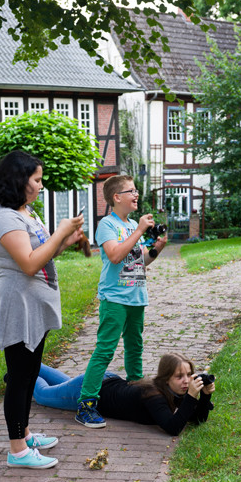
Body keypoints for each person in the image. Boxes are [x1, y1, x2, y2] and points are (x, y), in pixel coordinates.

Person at [0, 150, 84, 470]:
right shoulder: (4, 218)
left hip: (34, 306)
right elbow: (28, 263)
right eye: (37, 180)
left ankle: (25, 435)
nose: (41, 186)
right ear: (19, 180)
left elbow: (40, 252)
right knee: (18, 377)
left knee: (30, 375)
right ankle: (17, 450)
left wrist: (66, 241)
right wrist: (60, 231)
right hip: (17, 306)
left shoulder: (24, 212)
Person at [75, 174, 168, 428]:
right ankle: (86, 404)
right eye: (131, 191)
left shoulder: (131, 227)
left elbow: (140, 261)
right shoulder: (108, 224)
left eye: (136, 190)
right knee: (105, 350)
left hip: (137, 297)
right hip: (114, 298)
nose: (136, 194)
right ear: (117, 197)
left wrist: (156, 248)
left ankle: (137, 394)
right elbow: (115, 255)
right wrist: (139, 230)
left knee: (135, 348)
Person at [35, 353, 215, 436]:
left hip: (101, 381)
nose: (186, 381)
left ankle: (29, 366)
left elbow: (196, 419)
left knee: (63, 384)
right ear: (166, 378)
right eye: (179, 376)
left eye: (188, 375)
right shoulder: (155, 396)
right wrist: (191, 396)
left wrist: (205, 396)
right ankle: (18, 375)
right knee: (43, 395)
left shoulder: (171, 391)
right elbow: (173, 428)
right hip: (94, 391)